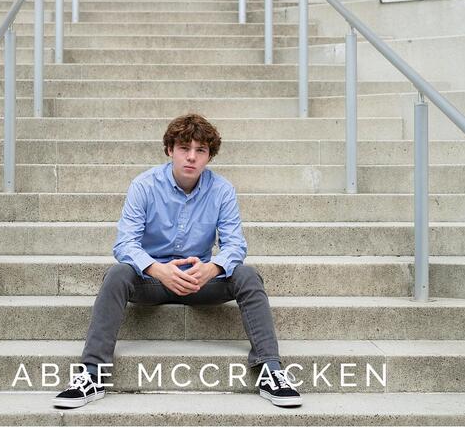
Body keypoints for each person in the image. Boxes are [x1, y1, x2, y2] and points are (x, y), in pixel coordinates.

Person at [53, 113, 301, 409]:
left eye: (201, 151)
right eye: (184, 148)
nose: (191, 157)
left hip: (200, 281)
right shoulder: (144, 186)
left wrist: (213, 268)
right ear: (170, 149)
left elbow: (235, 245)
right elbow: (125, 244)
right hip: (152, 281)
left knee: (247, 275)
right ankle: (92, 373)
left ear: (210, 156)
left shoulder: (221, 191)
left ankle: (271, 370)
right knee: (118, 273)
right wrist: (158, 270)